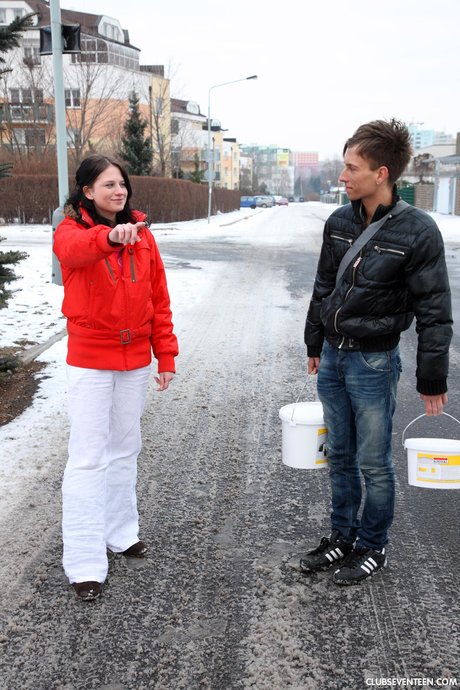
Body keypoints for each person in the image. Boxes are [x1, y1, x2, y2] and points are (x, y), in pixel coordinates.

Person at [300, 119, 452, 585]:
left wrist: (432, 379)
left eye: (351, 167)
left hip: (374, 361)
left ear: (381, 173)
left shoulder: (419, 231)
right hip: (334, 357)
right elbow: (325, 286)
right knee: (339, 455)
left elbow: (434, 310)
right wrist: (314, 342)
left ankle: (373, 545)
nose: (342, 177)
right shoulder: (339, 220)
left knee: (373, 461)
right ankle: (342, 538)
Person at [54, 154, 178, 601]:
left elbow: (158, 298)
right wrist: (108, 236)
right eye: (107, 185)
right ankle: (85, 560)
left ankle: (120, 532)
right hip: (90, 361)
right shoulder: (70, 231)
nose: (118, 191)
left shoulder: (143, 238)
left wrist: (165, 354)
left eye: (121, 184)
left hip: (134, 362)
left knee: (126, 447)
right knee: (89, 457)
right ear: (87, 191)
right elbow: (75, 252)